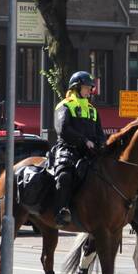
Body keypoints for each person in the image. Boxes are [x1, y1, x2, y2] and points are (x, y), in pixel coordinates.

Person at [52, 71, 107, 228]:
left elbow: (100, 133)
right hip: (68, 149)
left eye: (91, 88)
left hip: (89, 153)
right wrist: (84, 141)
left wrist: (102, 145)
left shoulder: (92, 110)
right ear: (76, 87)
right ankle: (60, 211)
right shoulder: (65, 105)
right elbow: (63, 129)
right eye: (87, 87)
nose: (90, 90)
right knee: (64, 176)